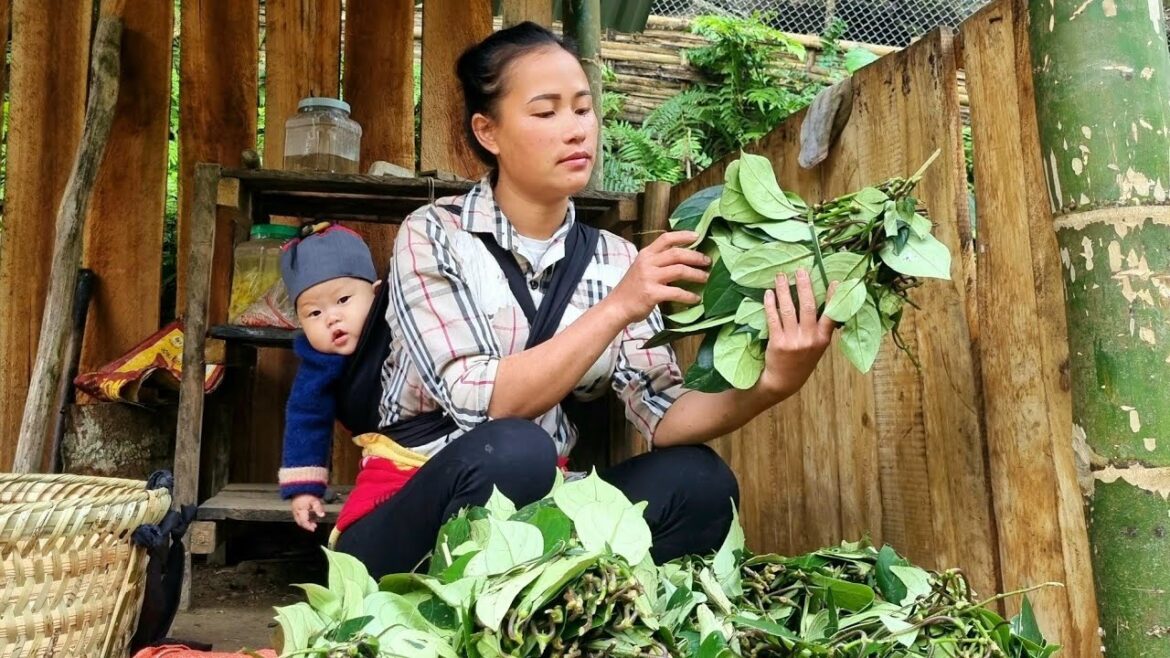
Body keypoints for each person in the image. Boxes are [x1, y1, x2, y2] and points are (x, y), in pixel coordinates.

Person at [332, 22, 838, 578]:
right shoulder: (433, 233)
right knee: (516, 450)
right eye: (546, 112)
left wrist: (771, 384)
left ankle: (562, 609)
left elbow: (663, 412)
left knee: (700, 483)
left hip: (539, 514)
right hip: (413, 513)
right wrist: (618, 307)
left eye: (582, 109)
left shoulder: (616, 259)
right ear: (488, 132)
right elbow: (480, 403)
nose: (576, 130)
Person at [275, 224, 383, 531]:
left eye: (343, 300)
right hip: (381, 454)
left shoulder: (401, 332)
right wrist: (304, 489)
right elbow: (306, 420)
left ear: (376, 295)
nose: (331, 318)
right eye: (314, 313)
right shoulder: (318, 365)